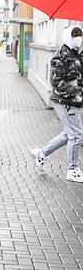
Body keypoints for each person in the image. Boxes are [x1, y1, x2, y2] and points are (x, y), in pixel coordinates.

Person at [31, 25, 83, 183]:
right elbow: (55, 81)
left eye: (80, 35)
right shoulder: (60, 56)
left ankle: (42, 154)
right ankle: (73, 169)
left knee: (69, 134)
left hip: (76, 101)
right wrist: (74, 93)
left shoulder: (78, 54)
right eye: (75, 35)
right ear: (68, 37)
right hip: (65, 101)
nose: (78, 38)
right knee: (77, 134)